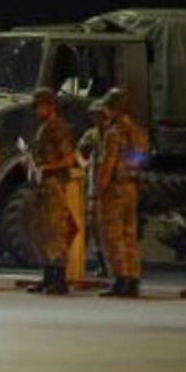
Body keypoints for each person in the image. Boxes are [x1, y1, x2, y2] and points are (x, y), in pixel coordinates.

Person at [96, 87, 149, 298]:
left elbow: (108, 164)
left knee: (113, 235)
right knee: (130, 234)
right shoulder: (139, 133)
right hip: (132, 187)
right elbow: (142, 160)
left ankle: (121, 279)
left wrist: (99, 190)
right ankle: (133, 280)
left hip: (115, 188)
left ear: (113, 108)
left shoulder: (113, 133)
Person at [27, 87, 76, 295]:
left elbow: (69, 159)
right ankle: (48, 276)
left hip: (54, 184)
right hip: (42, 185)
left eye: (40, 106)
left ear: (50, 106)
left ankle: (59, 278)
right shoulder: (44, 128)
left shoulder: (58, 129)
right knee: (42, 231)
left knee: (56, 230)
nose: (37, 111)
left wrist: (47, 167)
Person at [76, 100, 109, 278]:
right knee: (93, 225)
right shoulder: (92, 135)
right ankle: (100, 263)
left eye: (99, 116)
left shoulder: (113, 134)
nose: (97, 119)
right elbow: (78, 150)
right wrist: (84, 163)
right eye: (94, 116)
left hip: (111, 187)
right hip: (94, 186)